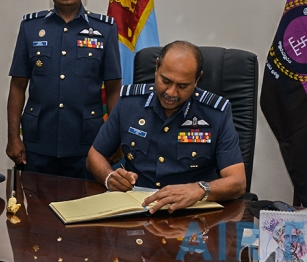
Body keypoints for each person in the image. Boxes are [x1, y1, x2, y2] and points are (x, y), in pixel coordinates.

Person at [87, 40, 246, 212]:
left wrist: (199, 189)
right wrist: (109, 177)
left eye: (182, 86)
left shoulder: (215, 113)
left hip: (190, 215)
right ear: (156, 68)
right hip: (136, 209)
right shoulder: (129, 103)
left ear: (197, 80)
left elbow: (238, 182)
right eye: (166, 81)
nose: (171, 92)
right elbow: (94, 155)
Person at [7, 0, 122, 179]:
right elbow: (17, 86)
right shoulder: (31, 28)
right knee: (35, 202)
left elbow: (113, 90)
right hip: (38, 141)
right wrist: (13, 138)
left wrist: (115, 139)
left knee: (85, 201)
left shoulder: (105, 30)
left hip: (87, 143)